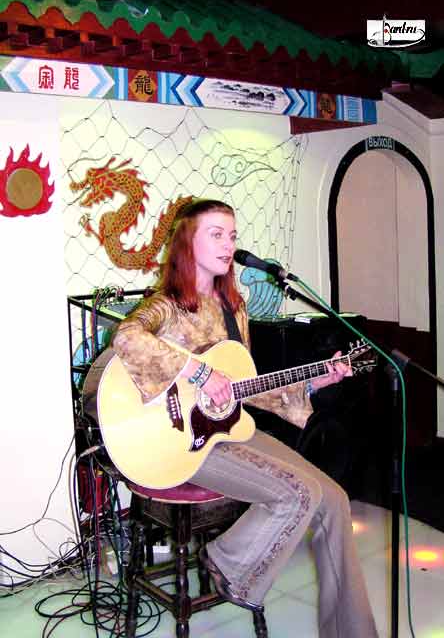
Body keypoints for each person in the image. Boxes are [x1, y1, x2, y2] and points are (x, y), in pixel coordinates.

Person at [112, 199, 378, 638]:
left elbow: (246, 388)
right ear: (187, 242)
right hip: (180, 444)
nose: (228, 244)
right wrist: (198, 372)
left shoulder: (233, 310)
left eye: (232, 235)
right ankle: (225, 561)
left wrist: (314, 383)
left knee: (333, 498)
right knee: (300, 493)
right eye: (216, 234)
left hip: (228, 429)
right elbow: (126, 338)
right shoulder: (165, 306)